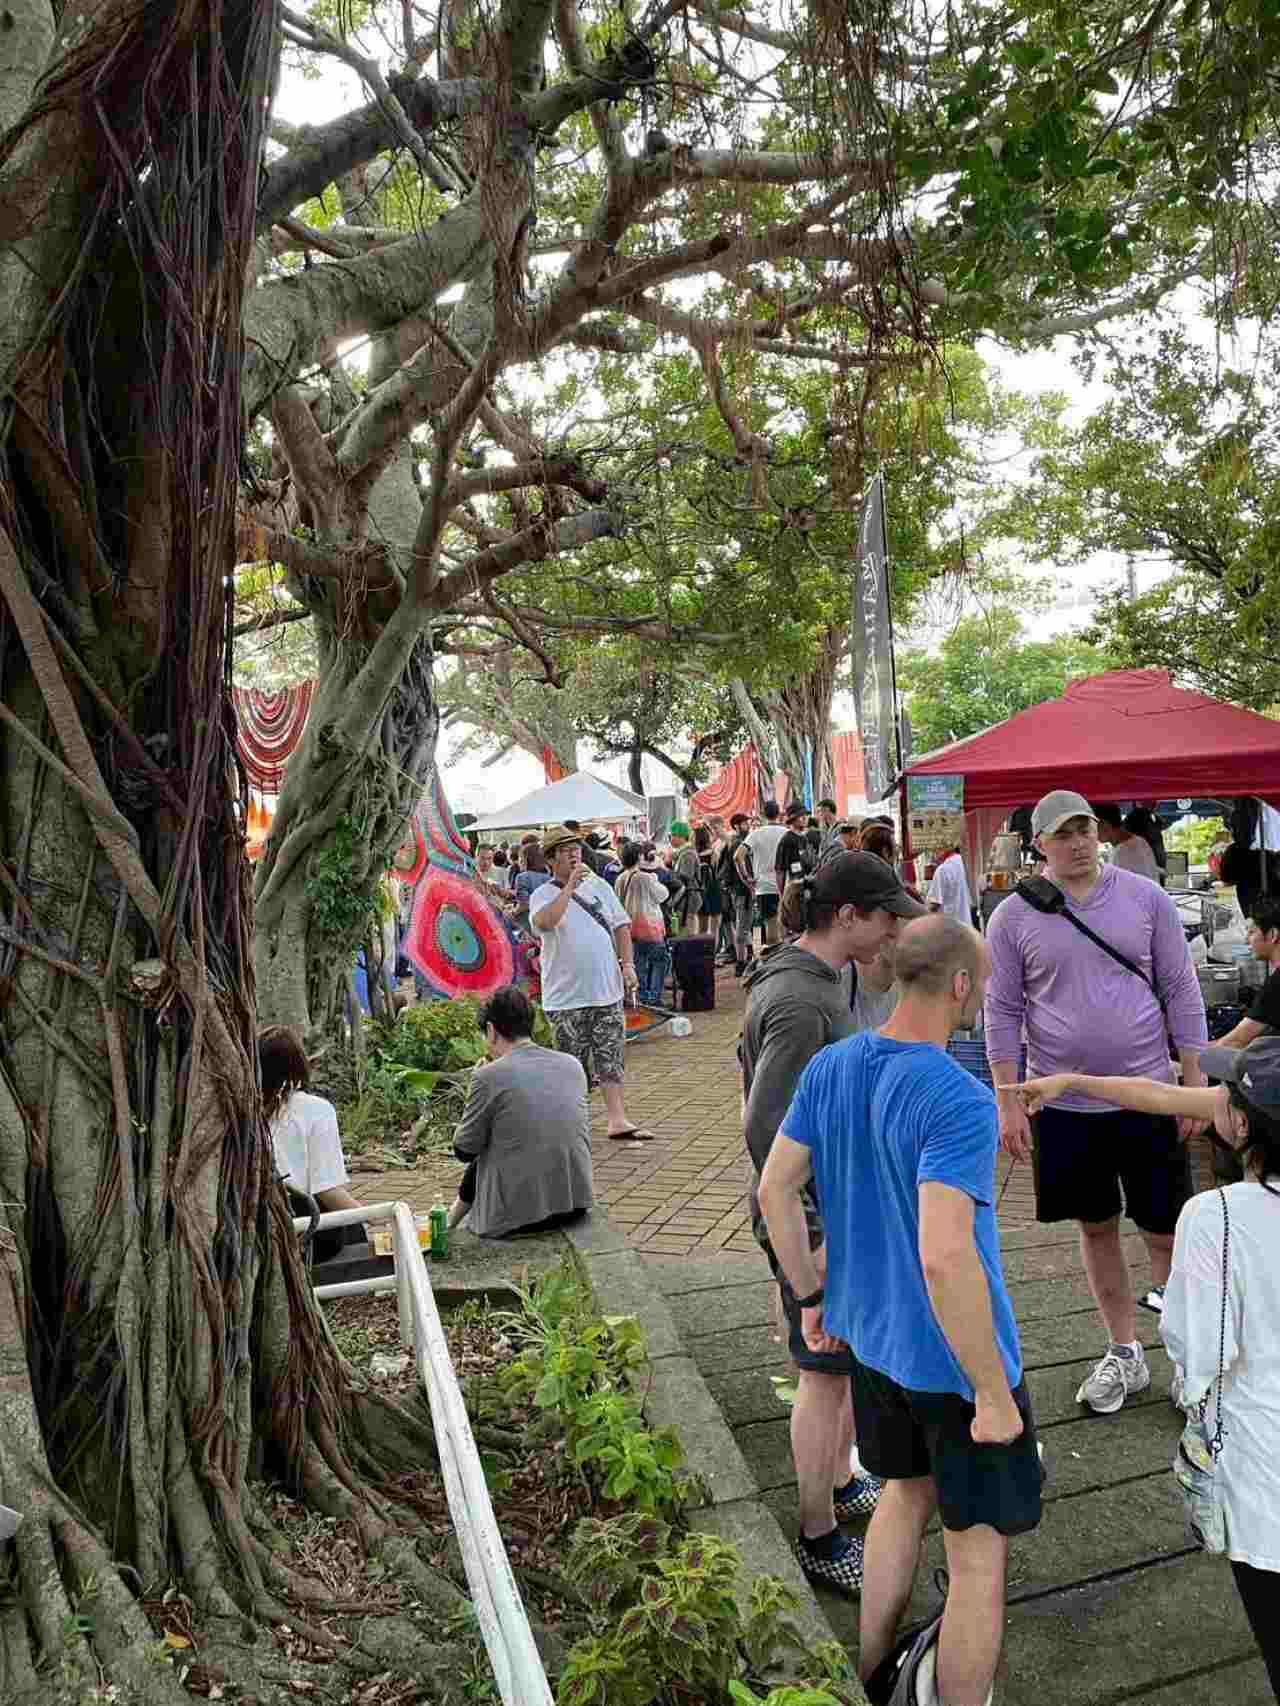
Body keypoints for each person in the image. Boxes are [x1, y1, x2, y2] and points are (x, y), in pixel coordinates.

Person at [759, 917, 1042, 1706]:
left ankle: (870, 1672)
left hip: (872, 1347)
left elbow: (775, 1188)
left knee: (900, 1500)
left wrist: (811, 1294)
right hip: (956, 1364)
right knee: (978, 1556)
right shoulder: (958, 1097)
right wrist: (990, 1390)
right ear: (959, 987)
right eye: (978, 988)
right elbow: (944, 1255)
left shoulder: (832, 1065)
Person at [1017, 1036, 1280, 1702]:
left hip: (1261, 1473)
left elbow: (1194, 1345)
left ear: (1242, 1126)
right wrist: (1076, 1078)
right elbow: (1156, 1095)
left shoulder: (1214, 1217)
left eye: (1225, 1095)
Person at [986, 788, 1208, 1414]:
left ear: (1099, 833)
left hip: (1147, 1093)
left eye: (1084, 829)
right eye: (1062, 834)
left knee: (1166, 1231)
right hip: (1062, 1105)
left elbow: (1181, 989)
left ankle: (1191, 1358)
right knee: (1096, 1226)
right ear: (1040, 844)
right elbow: (1001, 1011)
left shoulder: (1145, 899)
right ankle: (1125, 1350)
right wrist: (1007, 1101)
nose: (1078, 842)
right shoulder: (1013, 918)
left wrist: (1192, 1084)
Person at [742, 854, 924, 1596]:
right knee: (821, 1372)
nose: (892, 931)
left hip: (831, 1208)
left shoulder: (818, 976)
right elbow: (766, 1132)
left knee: (840, 1366)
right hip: (811, 1221)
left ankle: (843, 1483)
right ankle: (817, 1532)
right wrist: (809, 1249)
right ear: (846, 916)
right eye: (884, 917)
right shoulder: (799, 999)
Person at [529, 826, 654, 1141]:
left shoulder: (600, 885)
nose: (574, 854)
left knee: (610, 1055)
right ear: (550, 859)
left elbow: (621, 925)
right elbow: (546, 922)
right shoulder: (542, 894)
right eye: (565, 850)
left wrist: (628, 966)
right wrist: (570, 886)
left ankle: (617, 1119)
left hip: (605, 990)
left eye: (576, 848)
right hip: (566, 997)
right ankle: (574, 1124)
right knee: (573, 1065)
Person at [448, 986, 593, 1237]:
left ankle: (448, 1221)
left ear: (491, 1031)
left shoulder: (487, 1076)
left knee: (487, 1148)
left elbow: (465, 1149)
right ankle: (449, 1218)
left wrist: (477, 1084)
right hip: (574, 1204)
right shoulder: (572, 1064)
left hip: (518, 1217)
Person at [260, 1027, 364, 1261]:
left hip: (257, 1228)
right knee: (355, 1228)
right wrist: (377, 1217)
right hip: (306, 1233)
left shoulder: (240, 1113)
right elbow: (327, 1191)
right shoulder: (316, 1110)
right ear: (300, 1068)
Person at [1214, 895, 1280, 1050]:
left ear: (1272, 935)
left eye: (1251, 932)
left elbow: (1235, 1042)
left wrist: (1186, 1059)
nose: (1246, 940)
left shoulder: (1276, 985)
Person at [615, 841, 671, 1007]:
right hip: (649, 927)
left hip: (629, 928)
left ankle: (642, 996)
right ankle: (653, 996)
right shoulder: (645, 878)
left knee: (639, 964)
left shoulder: (620, 879)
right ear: (639, 857)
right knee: (659, 961)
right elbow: (663, 895)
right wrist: (655, 877)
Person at [740, 800, 788, 949]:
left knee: (761, 924)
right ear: (778, 813)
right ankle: (781, 959)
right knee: (784, 927)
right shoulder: (787, 833)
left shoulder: (755, 835)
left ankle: (759, 957)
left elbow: (738, 856)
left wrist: (747, 879)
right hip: (785, 886)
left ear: (763, 815)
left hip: (763, 887)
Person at [720, 811, 755, 976]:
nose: (748, 826)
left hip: (739, 891)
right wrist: (749, 882)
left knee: (746, 925)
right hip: (742, 891)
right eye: (745, 823)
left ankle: (748, 957)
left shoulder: (736, 841)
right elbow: (741, 864)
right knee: (743, 926)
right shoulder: (738, 844)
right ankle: (742, 963)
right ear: (737, 826)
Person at [1094, 801, 1161, 882]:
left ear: (1104, 824)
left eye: (1092, 827)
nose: (1092, 833)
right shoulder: (1140, 841)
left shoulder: (1122, 852)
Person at [926, 843, 973, 925]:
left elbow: (934, 905)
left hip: (950, 927)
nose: (933, 849)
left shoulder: (943, 869)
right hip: (966, 925)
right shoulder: (965, 862)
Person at [774, 804, 815, 897]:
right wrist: (782, 896)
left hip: (808, 886)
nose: (805, 818)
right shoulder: (787, 840)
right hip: (794, 890)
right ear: (792, 820)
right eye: (801, 816)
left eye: (806, 815)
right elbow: (780, 871)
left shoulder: (804, 838)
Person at [669, 821, 702, 932]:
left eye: (673, 835)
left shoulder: (688, 854)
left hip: (689, 898)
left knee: (688, 933)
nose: (671, 839)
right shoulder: (681, 853)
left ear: (681, 837)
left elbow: (686, 875)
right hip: (685, 898)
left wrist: (668, 874)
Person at [694, 822, 723, 937]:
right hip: (714, 890)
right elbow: (717, 872)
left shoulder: (694, 855)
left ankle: (702, 952)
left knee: (702, 927)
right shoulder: (714, 854)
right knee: (715, 928)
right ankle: (713, 954)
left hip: (700, 891)